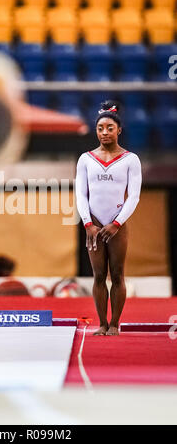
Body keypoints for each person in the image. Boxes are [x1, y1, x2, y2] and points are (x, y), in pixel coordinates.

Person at [75, 101, 142, 336]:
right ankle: (102, 323)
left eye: (109, 128)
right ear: (96, 130)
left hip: (117, 224)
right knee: (99, 275)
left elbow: (133, 196)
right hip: (93, 224)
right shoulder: (86, 159)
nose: (105, 132)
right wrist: (87, 223)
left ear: (119, 130)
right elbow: (81, 194)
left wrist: (116, 223)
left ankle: (115, 323)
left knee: (117, 274)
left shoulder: (130, 159)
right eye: (100, 128)